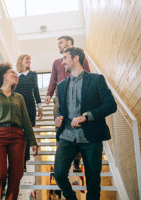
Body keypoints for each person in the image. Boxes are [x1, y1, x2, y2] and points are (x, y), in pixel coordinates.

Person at [54, 47, 117, 200]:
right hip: (67, 136)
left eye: (65, 58)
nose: (62, 62)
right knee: (59, 173)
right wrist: (59, 118)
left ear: (76, 58)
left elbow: (111, 105)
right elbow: (62, 110)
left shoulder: (97, 80)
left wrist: (86, 116)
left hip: (91, 138)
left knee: (93, 182)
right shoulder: (61, 86)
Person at [0, 63, 38, 200]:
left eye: (17, 74)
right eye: (13, 73)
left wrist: (33, 141)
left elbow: (26, 121)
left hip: (18, 137)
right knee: (0, 173)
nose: (16, 75)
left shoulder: (19, 98)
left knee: (16, 175)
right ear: (3, 75)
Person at [45, 35, 90, 172]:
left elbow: (87, 75)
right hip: (60, 99)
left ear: (70, 43)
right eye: (58, 43)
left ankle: (76, 161)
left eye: (61, 42)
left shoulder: (80, 59)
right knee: (59, 128)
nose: (58, 45)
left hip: (77, 99)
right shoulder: (56, 62)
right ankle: (60, 160)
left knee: (76, 127)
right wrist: (48, 94)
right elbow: (53, 79)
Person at [14, 54, 43, 172]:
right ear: (20, 61)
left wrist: (40, 107)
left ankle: (23, 162)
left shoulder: (32, 74)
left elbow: (36, 90)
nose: (29, 61)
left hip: (30, 107)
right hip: (17, 108)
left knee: (26, 135)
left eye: (30, 60)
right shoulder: (15, 76)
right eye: (27, 59)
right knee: (19, 135)